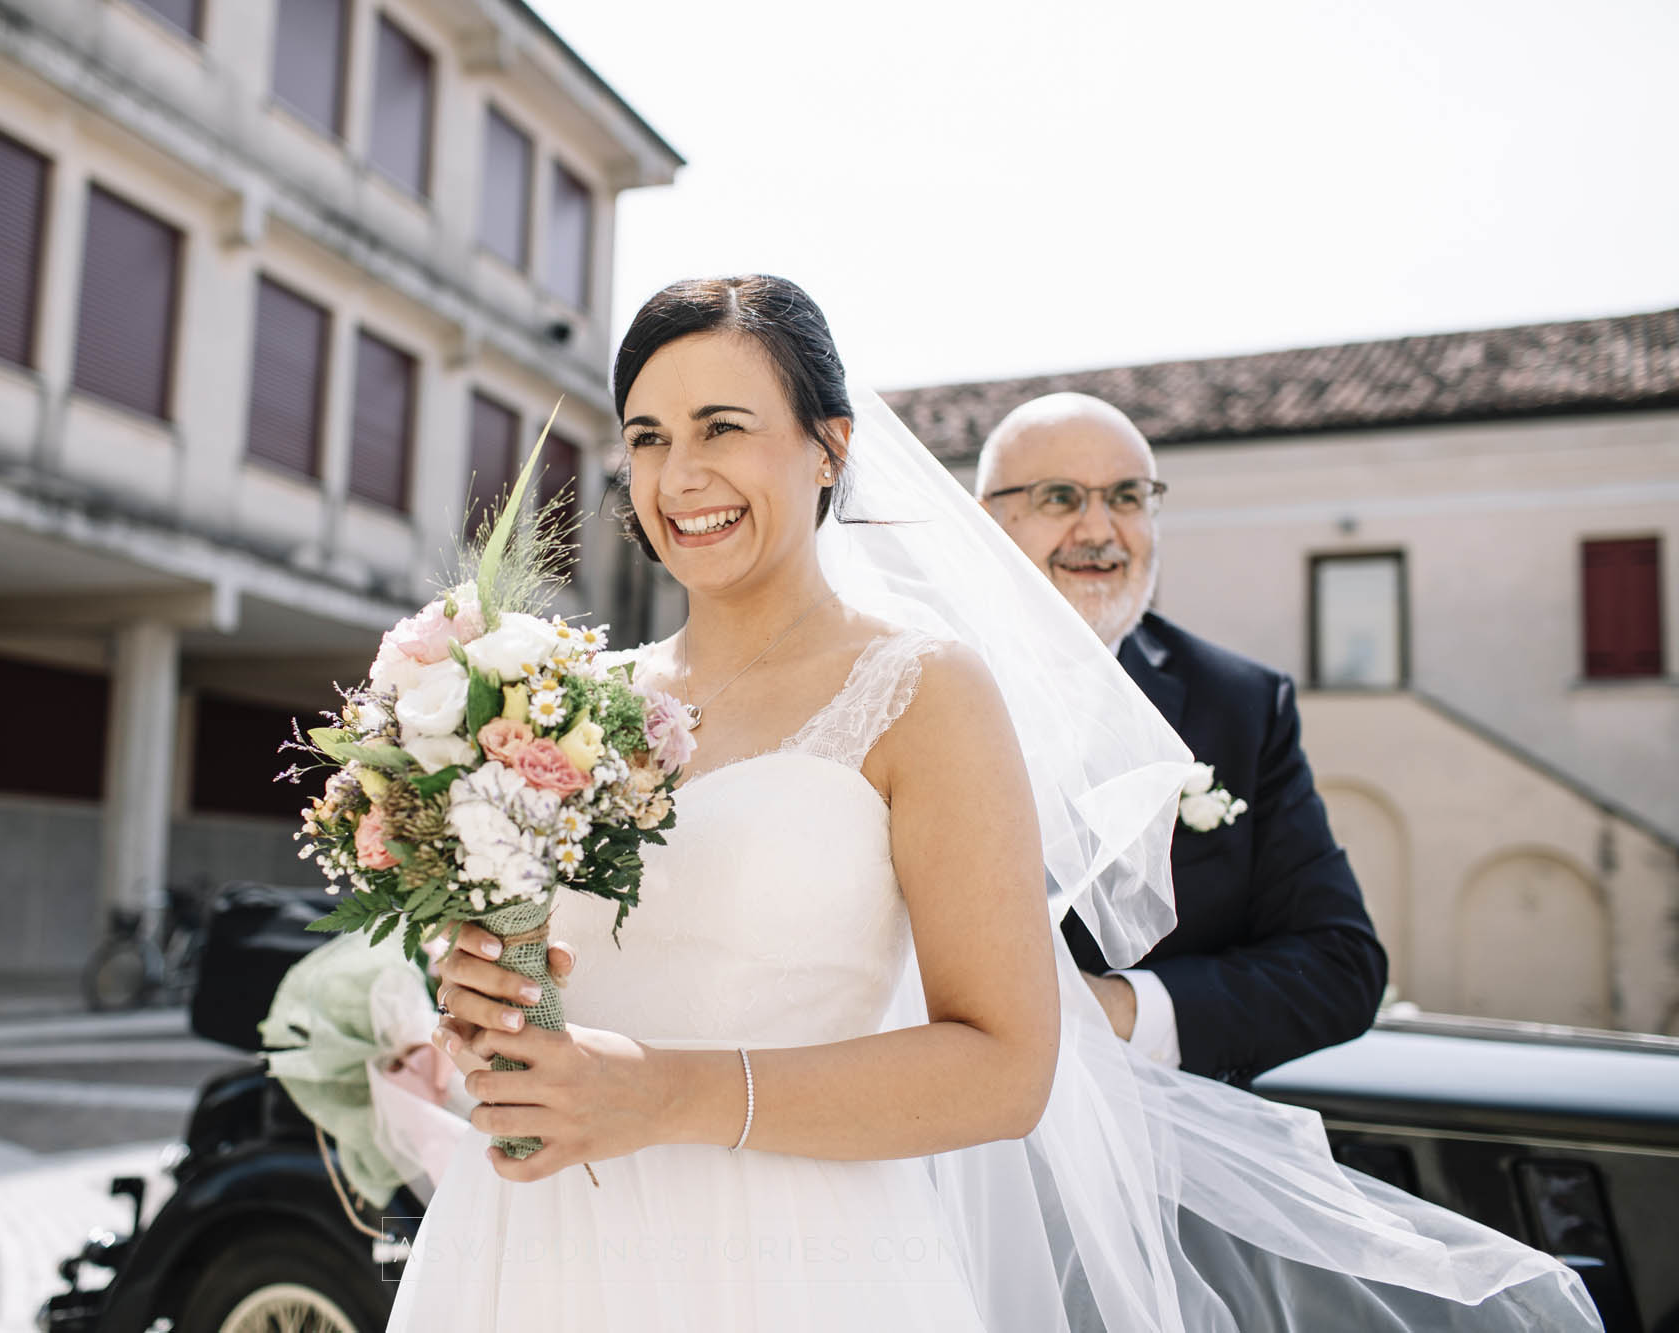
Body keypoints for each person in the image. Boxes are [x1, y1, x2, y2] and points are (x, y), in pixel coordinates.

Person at [394, 276, 1598, 1331]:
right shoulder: (566, 700)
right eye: (647, 436)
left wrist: (661, 1092)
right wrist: (490, 996)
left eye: (723, 426)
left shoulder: (920, 688)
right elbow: (571, 978)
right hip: (536, 1238)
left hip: (784, 1259)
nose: (679, 474)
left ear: (828, 447)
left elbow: (1005, 1068)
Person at [975, 393, 1386, 1083]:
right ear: (987, 523)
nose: (1099, 528)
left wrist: (1123, 1011)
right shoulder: (908, 687)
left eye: (1128, 496)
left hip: (1168, 1160)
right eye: (1060, 498)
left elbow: (1340, 965)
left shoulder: (1243, 705)